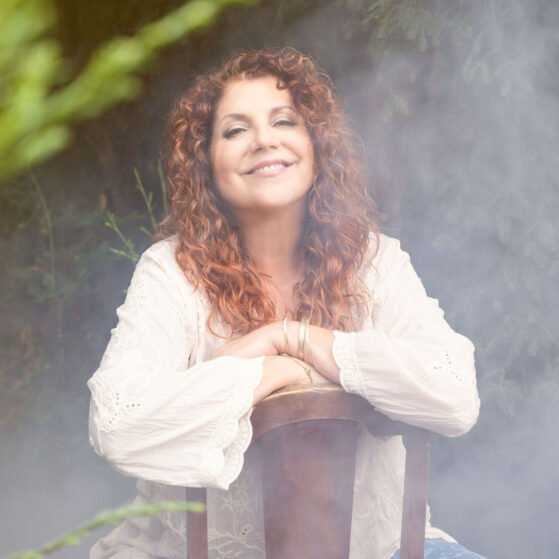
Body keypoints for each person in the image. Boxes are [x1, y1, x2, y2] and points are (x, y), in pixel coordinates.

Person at [87, 47, 483, 559]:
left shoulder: (374, 260)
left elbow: (455, 395)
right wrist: (269, 365)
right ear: (206, 162)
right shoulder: (172, 270)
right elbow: (118, 421)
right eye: (235, 130)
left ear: (315, 146)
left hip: (385, 549)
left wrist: (300, 340)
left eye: (284, 121)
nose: (265, 140)